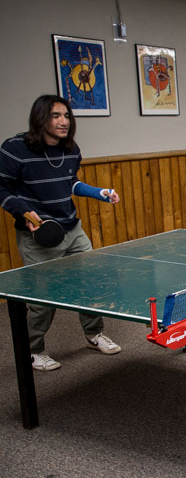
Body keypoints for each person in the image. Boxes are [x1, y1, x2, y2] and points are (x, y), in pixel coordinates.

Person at [0, 95, 122, 371]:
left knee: (90, 283)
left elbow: (71, 183)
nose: (63, 121)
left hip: (71, 228)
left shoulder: (70, 148)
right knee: (44, 298)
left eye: (66, 115)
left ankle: (93, 334)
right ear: (40, 118)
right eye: (56, 115)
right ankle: (34, 350)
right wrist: (23, 213)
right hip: (39, 236)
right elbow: (2, 188)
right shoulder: (14, 149)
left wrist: (98, 193)